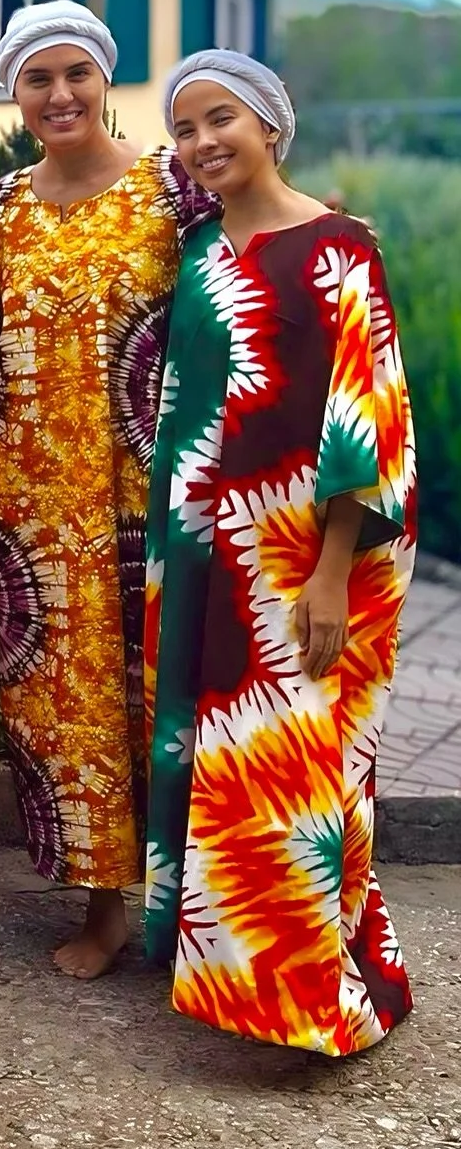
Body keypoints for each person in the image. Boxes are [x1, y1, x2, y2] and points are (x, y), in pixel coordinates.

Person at [144, 51, 415, 1054]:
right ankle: (225, 982)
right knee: (218, 761)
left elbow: (370, 417)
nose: (204, 142)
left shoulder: (341, 247)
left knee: (297, 769)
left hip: (303, 558)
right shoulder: (200, 250)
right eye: (185, 129)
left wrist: (332, 573)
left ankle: (308, 999)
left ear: (269, 123)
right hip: (205, 550)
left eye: (222, 119)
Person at [0, 0, 210, 979]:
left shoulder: (175, 184)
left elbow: (279, 240)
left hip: (148, 498)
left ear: (104, 81)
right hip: (33, 505)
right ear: (17, 94)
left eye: (76, 74)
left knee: (166, 695)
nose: (60, 94)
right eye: (38, 79)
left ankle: (201, 905)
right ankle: (103, 903)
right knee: (66, 712)